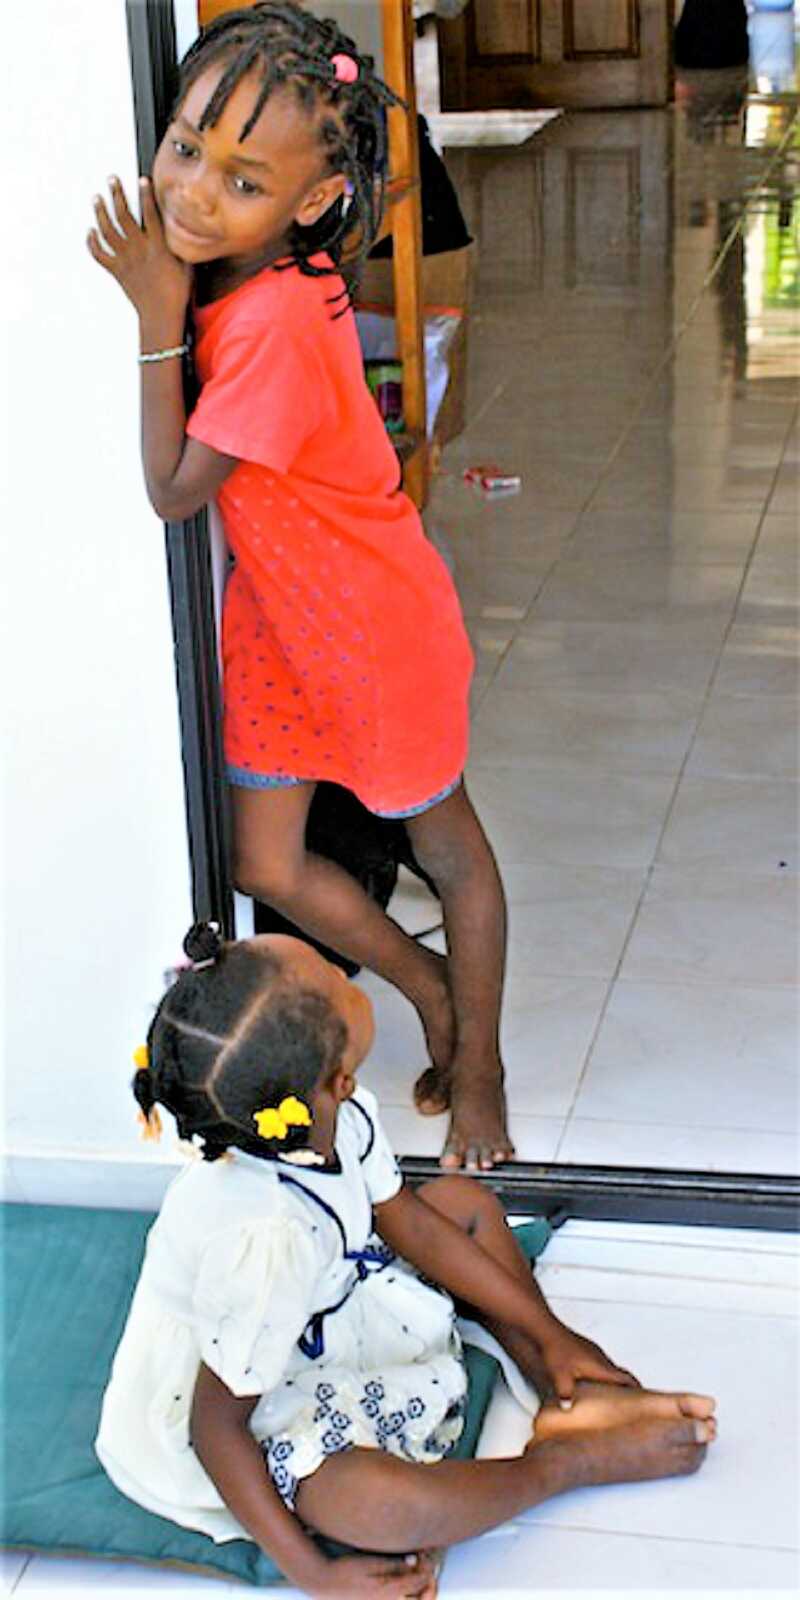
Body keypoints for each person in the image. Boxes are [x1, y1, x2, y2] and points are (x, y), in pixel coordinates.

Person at [86, 1, 513, 1173]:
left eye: (240, 179)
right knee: (261, 864)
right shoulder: (245, 271)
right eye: (184, 148)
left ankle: (478, 1064)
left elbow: (175, 488)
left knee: (449, 847)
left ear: (312, 204)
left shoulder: (271, 312)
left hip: (374, 631)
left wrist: (154, 320)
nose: (190, 194)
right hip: (279, 624)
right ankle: (424, 980)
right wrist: (178, 293)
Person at [96, 923, 717, 1599]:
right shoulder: (264, 1242)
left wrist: (551, 1334)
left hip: (324, 1297)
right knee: (380, 1505)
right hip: (243, 1387)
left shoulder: (336, 1110)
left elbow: (411, 1223)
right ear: (334, 1076)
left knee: (464, 1205)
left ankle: (561, 1385)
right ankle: (565, 1463)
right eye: (338, 980)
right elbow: (217, 1429)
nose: (345, 972)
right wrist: (317, 1575)